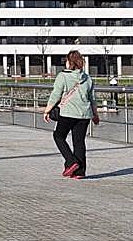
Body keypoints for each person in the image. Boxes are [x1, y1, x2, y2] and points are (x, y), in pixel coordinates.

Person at [42, 49, 100, 178]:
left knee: (58, 136)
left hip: (68, 113)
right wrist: (95, 115)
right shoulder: (87, 78)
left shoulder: (63, 76)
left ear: (69, 62)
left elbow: (56, 95)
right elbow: (92, 99)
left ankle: (71, 162)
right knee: (79, 141)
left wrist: (47, 110)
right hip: (84, 114)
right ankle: (80, 172)